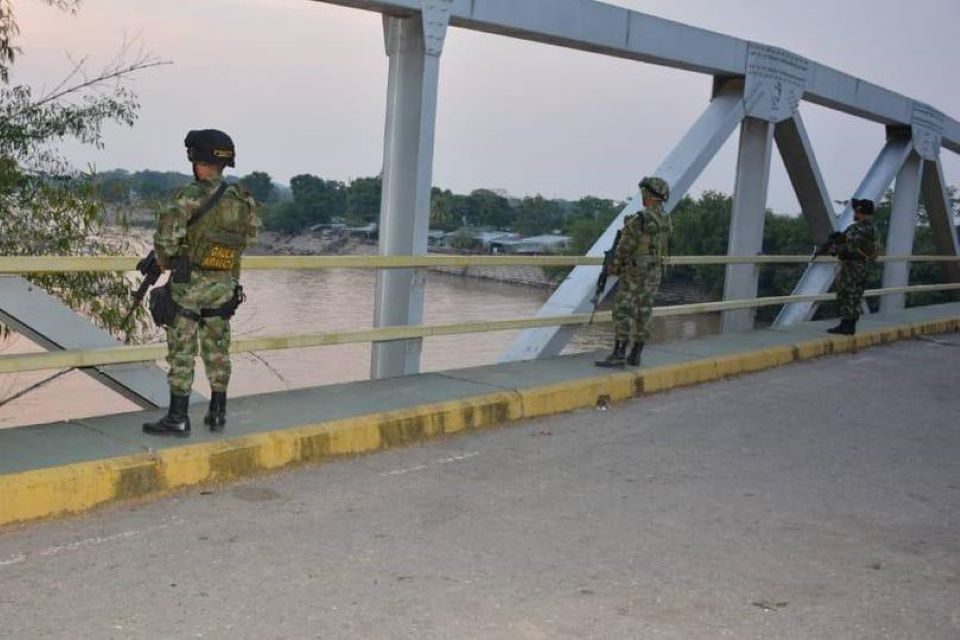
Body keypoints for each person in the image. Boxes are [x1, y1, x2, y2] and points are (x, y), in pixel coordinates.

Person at [142, 129, 260, 437]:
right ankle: (217, 411)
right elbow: (248, 239)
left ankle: (178, 417)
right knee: (218, 348)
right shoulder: (243, 200)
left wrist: (173, 258)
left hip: (189, 287)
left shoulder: (185, 198)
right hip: (224, 287)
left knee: (182, 351)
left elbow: (166, 248)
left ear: (196, 159)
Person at [596, 176, 671, 368]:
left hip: (635, 271)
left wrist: (615, 266)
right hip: (654, 271)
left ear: (648, 194)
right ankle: (636, 354)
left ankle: (619, 353)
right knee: (644, 310)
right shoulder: (665, 219)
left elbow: (625, 247)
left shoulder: (641, 219)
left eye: (643, 194)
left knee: (623, 309)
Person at [826, 198, 879, 336]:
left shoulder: (857, 229)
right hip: (863, 266)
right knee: (856, 295)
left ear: (860, 210)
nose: (854, 212)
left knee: (846, 294)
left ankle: (846, 325)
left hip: (851, 266)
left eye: (856, 209)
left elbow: (849, 248)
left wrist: (835, 249)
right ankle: (850, 325)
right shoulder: (873, 228)